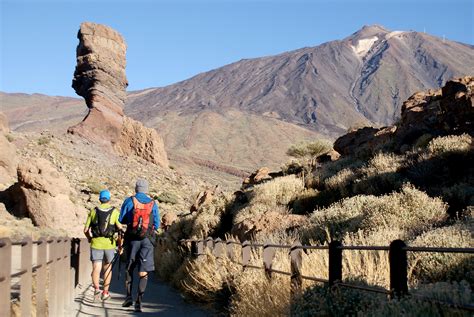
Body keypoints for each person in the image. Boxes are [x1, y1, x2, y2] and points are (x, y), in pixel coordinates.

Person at [119, 178, 160, 312]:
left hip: (132, 239)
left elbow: (121, 219)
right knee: (143, 271)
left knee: (129, 268)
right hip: (147, 240)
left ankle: (128, 296)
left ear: (136, 188)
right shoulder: (153, 203)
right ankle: (139, 302)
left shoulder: (129, 201)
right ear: (146, 190)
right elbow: (157, 224)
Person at [84, 189, 122, 301]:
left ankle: (96, 290)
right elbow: (120, 230)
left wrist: (90, 238)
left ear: (100, 199)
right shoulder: (115, 212)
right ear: (109, 199)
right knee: (107, 268)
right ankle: (105, 293)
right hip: (110, 244)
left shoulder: (93, 211)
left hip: (96, 243)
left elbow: (86, 229)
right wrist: (120, 245)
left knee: (96, 267)